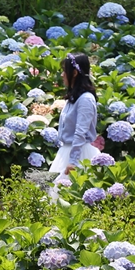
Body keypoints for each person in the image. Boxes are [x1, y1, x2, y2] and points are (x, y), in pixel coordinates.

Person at [49, 53, 100, 184]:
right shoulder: (74, 98)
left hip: (80, 155)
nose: (62, 75)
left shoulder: (86, 99)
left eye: (64, 71)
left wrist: (73, 161)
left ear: (75, 73)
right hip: (66, 152)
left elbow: (80, 132)